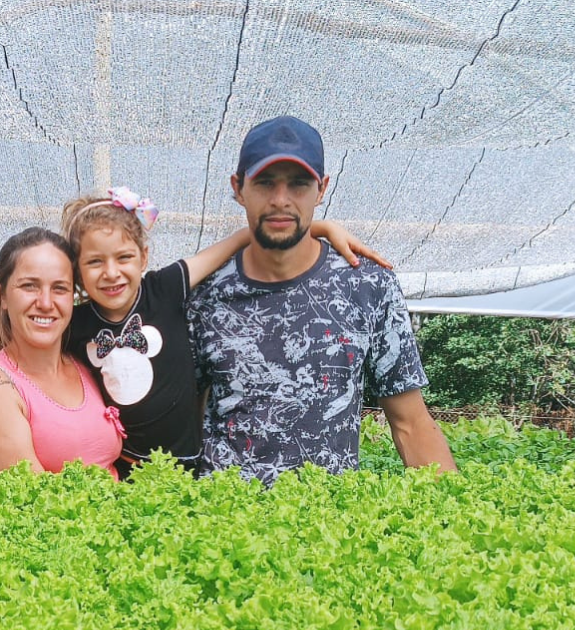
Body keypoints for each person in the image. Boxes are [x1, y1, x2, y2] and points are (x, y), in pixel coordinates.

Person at [0, 193, 384, 478]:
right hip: (126, 474)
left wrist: (315, 227)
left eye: (124, 258)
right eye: (95, 263)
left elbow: (235, 240)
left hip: (189, 469)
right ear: (81, 275)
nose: (112, 273)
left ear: (144, 258)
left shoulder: (166, 287)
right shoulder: (73, 323)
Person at [188, 115, 456, 484]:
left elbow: (411, 423)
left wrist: (451, 517)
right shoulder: (203, 295)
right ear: (238, 187)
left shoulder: (368, 286)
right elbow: (183, 422)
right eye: (265, 183)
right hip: (225, 524)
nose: (280, 200)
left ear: (322, 188)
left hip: (326, 522)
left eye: (298, 185)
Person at [0, 227, 124, 477]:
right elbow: (34, 496)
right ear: (2, 296)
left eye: (60, 288)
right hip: (75, 516)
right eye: (29, 286)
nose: (46, 303)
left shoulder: (84, 359)